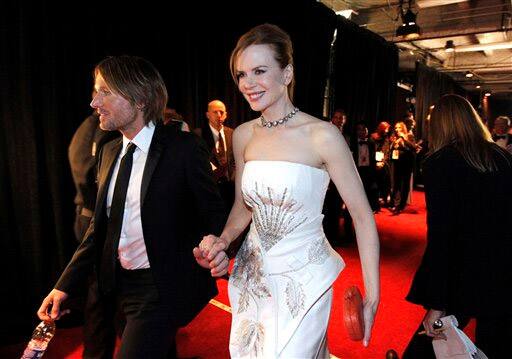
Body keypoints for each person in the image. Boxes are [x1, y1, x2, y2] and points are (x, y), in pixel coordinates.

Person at [194, 23, 380, 358]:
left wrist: (374, 294)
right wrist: (223, 240)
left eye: (260, 71)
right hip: (254, 276)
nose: (248, 84)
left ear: (287, 73)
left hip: (305, 279)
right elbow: (242, 205)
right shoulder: (244, 136)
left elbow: (362, 216)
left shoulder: (322, 135)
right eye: (241, 75)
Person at [37, 55, 226, 358]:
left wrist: (215, 243)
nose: (94, 102)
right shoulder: (109, 152)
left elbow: (214, 211)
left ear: (139, 99)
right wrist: (63, 286)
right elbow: (98, 229)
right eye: (94, 91)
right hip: (119, 287)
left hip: (161, 288)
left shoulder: (183, 149)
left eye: (105, 92)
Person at [402, 94, 512, 358]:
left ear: (440, 124)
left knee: (427, 346)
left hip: (461, 272)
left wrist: (436, 303)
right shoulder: (500, 155)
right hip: (502, 271)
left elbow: (442, 235)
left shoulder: (439, 162)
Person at [68, 104, 121, 357]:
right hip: (96, 222)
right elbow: (92, 178)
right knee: (101, 299)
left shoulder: (86, 129)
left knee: (100, 296)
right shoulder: (104, 131)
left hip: (88, 219)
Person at [195, 100, 236, 208]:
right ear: (207, 115)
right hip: (208, 189)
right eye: (215, 112)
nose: (219, 115)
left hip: (230, 190)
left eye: (221, 112)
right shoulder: (198, 134)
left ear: (226, 115)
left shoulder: (233, 133)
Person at [389, 121, 416, 215]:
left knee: (405, 185)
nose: (396, 130)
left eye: (399, 128)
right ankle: (394, 203)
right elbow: (392, 151)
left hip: (407, 164)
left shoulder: (409, 136)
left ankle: (401, 205)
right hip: (397, 164)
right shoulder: (394, 137)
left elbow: (413, 147)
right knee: (396, 184)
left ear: (403, 128)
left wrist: (403, 139)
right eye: (395, 128)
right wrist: (393, 144)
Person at [371, 121, 391, 208]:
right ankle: (374, 202)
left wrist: (382, 162)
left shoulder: (386, 138)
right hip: (373, 163)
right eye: (386, 129)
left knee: (384, 181)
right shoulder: (372, 137)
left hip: (383, 163)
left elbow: (386, 151)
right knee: (374, 183)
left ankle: (383, 199)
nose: (387, 131)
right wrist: (375, 162)